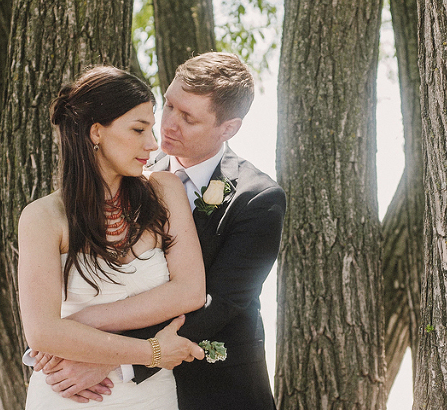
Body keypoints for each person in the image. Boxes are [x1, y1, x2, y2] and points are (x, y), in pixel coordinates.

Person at [43, 52, 286, 409]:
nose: (169, 125)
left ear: (228, 128)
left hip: (217, 388)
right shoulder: (127, 173)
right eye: (169, 105)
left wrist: (116, 357)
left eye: (188, 118)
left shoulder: (259, 198)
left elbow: (222, 303)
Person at [19, 66, 207, 409]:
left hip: (151, 396)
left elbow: (190, 291)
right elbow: (43, 334)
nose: (152, 144)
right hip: (66, 392)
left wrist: (80, 326)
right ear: (96, 132)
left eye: (151, 128)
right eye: (138, 129)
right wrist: (150, 351)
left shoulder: (165, 191)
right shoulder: (43, 217)